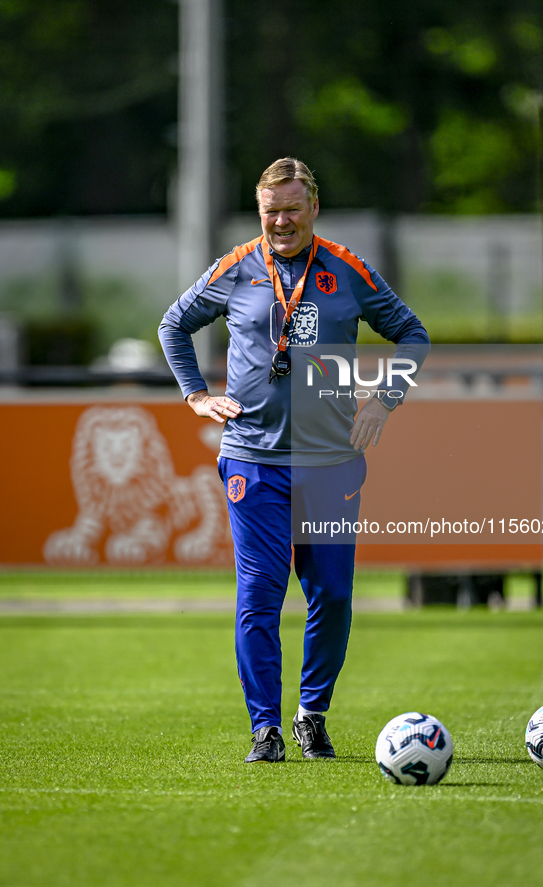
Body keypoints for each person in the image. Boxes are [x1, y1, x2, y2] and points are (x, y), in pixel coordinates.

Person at [159, 157, 429, 763]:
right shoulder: (235, 267)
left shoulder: (348, 268)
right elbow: (173, 325)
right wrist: (196, 395)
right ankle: (265, 728)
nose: (279, 221)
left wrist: (384, 402)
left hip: (331, 462)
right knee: (259, 593)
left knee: (331, 594)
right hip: (252, 460)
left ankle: (311, 714)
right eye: (269, 211)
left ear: (313, 208)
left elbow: (413, 334)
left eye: (291, 209)